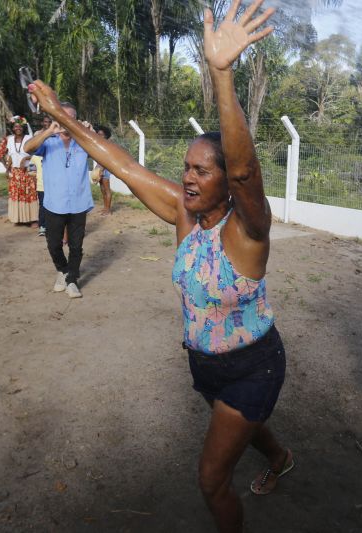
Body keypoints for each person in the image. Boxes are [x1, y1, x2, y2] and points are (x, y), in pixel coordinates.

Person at [28, 2, 290, 530]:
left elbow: (245, 171)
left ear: (226, 182)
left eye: (202, 171)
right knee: (241, 425)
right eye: (186, 168)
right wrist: (59, 116)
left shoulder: (249, 231)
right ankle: (281, 457)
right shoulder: (184, 214)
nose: (188, 178)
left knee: (211, 480)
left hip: (252, 365)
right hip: (204, 362)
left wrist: (221, 74)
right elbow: (121, 163)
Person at [23, 103, 93, 299]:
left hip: (78, 202)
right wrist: (49, 131)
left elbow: (104, 152)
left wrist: (90, 133)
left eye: (71, 117)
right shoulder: (49, 141)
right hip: (54, 203)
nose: (66, 121)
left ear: (76, 120)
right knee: (53, 244)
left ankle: (71, 280)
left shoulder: (84, 141)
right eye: (63, 116)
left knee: (76, 246)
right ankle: (62, 270)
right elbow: (27, 148)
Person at [0, 116, 38, 226]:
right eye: (15, 126)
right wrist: (7, 168)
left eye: (20, 126)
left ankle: (33, 219)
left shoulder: (29, 138)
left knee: (30, 193)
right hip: (15, 172)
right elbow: (10, 156)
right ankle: (18, 218)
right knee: (17, 194)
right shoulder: (9, 140)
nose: (18, 128)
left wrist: (25, 158)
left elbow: (36, 153)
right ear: (13, 128)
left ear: (23, 127)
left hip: (28, 170)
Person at [33, 116, 52, 236]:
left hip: (53, 184)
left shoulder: (54, 153)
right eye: (45, 122)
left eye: (50, 122)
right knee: (43, 205)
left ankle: (51, 226)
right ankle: (42, 226)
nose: (47, 123)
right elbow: (31, 169)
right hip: (41, 185)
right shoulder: (36, 157)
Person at [91, 125, 113, 216]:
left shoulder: (107, 144)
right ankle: (105, 208)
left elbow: (107, 159)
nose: (99, 136)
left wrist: (101, 170)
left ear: (106, 135)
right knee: (102, 190)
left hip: (105, 169)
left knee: (107, 190)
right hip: (100, 168)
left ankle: (108, 210)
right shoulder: (99, 144)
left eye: (101, 135)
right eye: (98, 134)